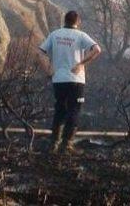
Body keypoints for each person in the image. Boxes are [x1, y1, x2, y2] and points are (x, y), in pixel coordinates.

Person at [39, 10, 101, 154]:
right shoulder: (81, 35)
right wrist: (81, 63)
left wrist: (48, 69)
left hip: (58, 79)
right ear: (77, 22)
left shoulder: (55, 34)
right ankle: (66, 145)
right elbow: (97, 49)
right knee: (74, 110)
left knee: (60, 110)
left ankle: (53, 144)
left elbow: (39, 52)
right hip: (75, 80)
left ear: (64, 21)